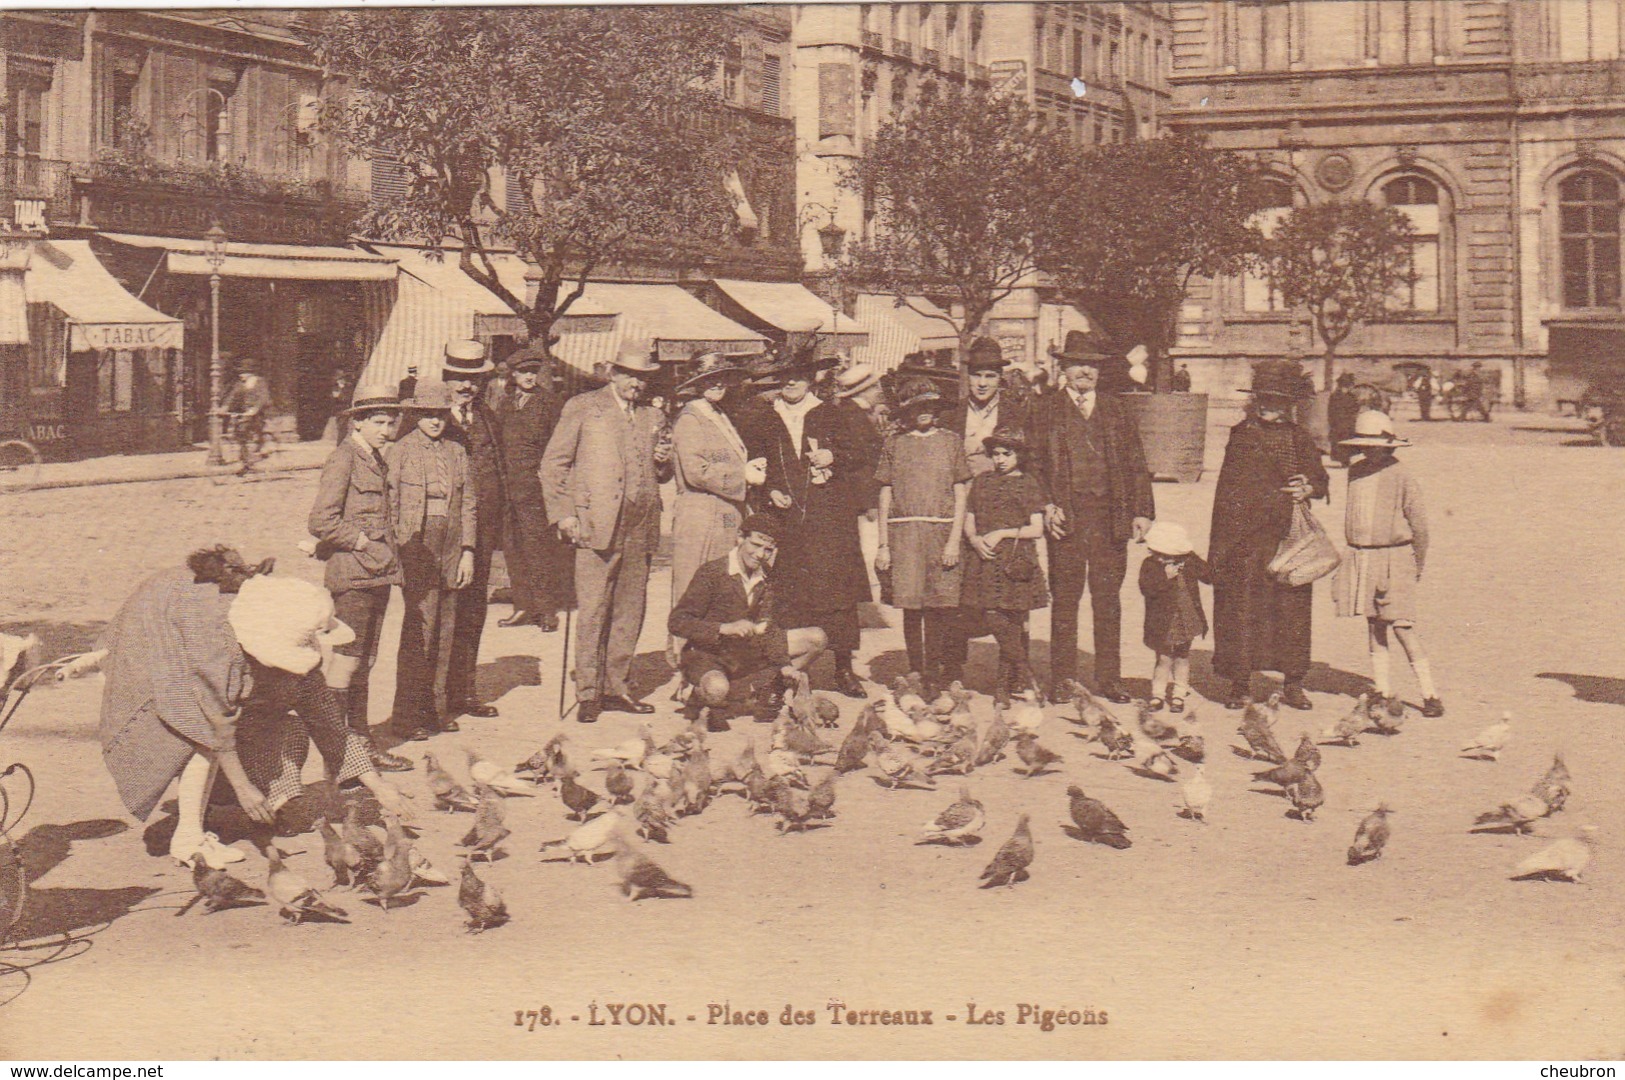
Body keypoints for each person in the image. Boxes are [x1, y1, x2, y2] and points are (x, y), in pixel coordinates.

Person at [99, 546, 273, 869]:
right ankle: (188, 838)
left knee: (201, 733)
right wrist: (242, 786)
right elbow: (218, 717)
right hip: (144, 657)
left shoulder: (225, 593)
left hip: (159, 645)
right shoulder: (216, 625)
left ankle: (190, 832)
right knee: (201, 734)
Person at [541, 340, 674, 724]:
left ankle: (617, 686)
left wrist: (662, 464)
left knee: (630, 611)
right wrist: (564, 515)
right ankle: (588, 692)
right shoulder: (583, 407)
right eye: (630, 374)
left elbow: (660, 473)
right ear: (613, 373)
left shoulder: (652, 417)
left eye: (644, 377)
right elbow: (553, 466)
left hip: (641, 525)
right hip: (596, 525)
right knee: (594, 610)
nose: (637, 383)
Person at [735, 345, 878, 697]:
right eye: (784, 378)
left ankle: (843, 668)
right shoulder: (765, 419)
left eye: (798, 376)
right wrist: (769, 492)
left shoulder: (833, 414)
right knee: (790, 593)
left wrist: (835, 456)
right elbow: (755, 465)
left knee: (838, 593)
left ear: (811, 378)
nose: (791, 383)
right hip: (786, 520)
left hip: (830, 518)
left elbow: (864, 455)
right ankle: (794, 669)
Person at [1025, 329, 1155, 704]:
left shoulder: (1116, 409)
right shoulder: (1044, 408)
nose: (1085, 372)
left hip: (1109, 517)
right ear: (1063, 369)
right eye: (1077, 364)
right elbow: (1032, 464)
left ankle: (1109, 678)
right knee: (1065, 599)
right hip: (1066, 517)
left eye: (1092, 366)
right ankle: (1063, 679)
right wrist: (1046, 506)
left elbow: (1136, 463)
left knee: (1107, 599)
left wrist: (1142, 511)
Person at [226, 575, 414, 830]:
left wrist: (378, 786)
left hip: (251, 742)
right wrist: (241, 785)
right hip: (218, 751)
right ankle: (204, 815)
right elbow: (207, 733)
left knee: (292, 729)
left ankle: (274, 803)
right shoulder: (226, 661)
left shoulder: (303, 674)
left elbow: (333, 729)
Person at [1209, 359, 1330, 711]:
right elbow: (1224, 491)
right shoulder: (1241, 435)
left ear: (1289, 403)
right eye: (1263, 399)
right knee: (1242, 610)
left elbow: (1321, 480)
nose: (1268, 406)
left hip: (1288, 540)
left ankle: (1293, 682)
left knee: (1292, 613)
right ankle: (1241, 683)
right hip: (1245, 540)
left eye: (1276, 400)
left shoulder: (1299, 437)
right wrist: (1220, 548)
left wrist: (1308, 486)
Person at [306, 383, 413, 772]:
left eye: (391, 421)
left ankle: (360, 745)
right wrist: (363, 542)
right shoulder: (345, 459)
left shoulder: (374, 458)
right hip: (353, 577)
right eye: (380, 422)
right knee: (348, 662)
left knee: (365, 661)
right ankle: (339, 751)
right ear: (359, 423)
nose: (388, 429)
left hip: (377, 576)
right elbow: (321, 520)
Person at [668, 513, 828, 731]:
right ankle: (698, 693)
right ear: (739, 538)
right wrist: (723, 628)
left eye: (768, 550)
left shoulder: (767, 577)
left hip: (746, 653)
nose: (760, 554)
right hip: (708, 655)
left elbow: (769, 627)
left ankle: (755, 688)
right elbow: (677, 622)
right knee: (716, 689)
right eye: (756, 545)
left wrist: (784, 665)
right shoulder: (713, 572)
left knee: (816, 638)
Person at [1333, 411, 1443, 718]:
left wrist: (1416, 564)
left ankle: (1430, 694)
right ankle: (1381, 689)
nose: (1370, 450)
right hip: (1363, 557)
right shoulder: (1355, 472)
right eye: (1364, 445)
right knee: (1374, 623)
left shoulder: (1402, 475)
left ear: (1389, 445)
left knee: (1402, 626)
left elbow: (1420, 526)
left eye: (1376, 445)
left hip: (1396, 557)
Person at [387, 381, 477, 741]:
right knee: (419, 631)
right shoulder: (401, 451)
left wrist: (468, 550)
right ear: (415, 415)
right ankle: (407, 716)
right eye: (427, 415)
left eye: (440, 414)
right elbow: (389, 504)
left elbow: (469, 502)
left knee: (446, 631)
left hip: (451, 545)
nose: (435, 422)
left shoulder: (458, 451)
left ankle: (436, 709)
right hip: (417, 548)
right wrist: (397, 553)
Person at [875, 377, 971, 692]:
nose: (924, 412)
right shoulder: (895, 443)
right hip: (904, 533)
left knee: (938, 607)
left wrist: (955, 539)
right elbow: (885, 494)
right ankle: (916, 671)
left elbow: (960, 494)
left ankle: (935, 672)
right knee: (911, 607)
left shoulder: (951, 441)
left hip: (941, 532)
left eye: (929, 406)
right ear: (907, 412)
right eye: (917, 407)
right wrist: (883, 545)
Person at [669, 353, 763, 670]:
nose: (718, 384)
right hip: (700, 514)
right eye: (710, 378)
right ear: (697, 384)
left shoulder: (717, 414)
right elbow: (697, 471)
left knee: (722, 590)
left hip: (723, 513)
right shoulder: (691, 418)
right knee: (694, 590)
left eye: (722, 377)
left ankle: (716, 663)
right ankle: (688, 667)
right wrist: (742, 477)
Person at [440, 340, 507, 719]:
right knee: (440, 615)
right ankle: (430, 699)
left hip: (480, 534)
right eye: (459, 379)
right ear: (447, 378)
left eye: (473, 380)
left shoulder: (486, 418)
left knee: (472, 613)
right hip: (443, 534)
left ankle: (463, 691)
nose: (466, 387)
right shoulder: (429, 417)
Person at [960, 428, 1048, 707]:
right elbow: (969, 516)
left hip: (1015, 560)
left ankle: (1002, 690)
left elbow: (1036, 529)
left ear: (1019, 455)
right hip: (984, 560)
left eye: (1006, 454)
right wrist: (974, 539)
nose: (999, 460)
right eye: (995, 454)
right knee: (994, 618)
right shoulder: (982, 481)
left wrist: (1003, 533)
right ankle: (1025, 673)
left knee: (1014, 622)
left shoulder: (1028, 483)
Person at [495, 346, 569, 633]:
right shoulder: (506, 402)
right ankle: (523, 606)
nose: (528, 376)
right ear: (513, 374)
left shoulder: (549, 403)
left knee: (538, 549)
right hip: (508, 488)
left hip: (535, 489)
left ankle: (546, 610)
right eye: (523, 372)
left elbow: (558, 447)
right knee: (513, 548)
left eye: (533, 372)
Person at [1137, 520, 1210, 715]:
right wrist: (1164, 578)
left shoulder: (1189, 562)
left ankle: (1179, 692)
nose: (1166, 560)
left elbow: (1209, 576)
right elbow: (1146, 589)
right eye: (1162, 556)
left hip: (1186, 618)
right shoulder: (1150, 565)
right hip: (1163, 621)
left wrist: (1194, 559)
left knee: (1183, 656)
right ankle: (1158, 694)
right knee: (1163, 657)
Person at [221, 357, 271, 473]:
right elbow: (232, 397)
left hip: (259, 414)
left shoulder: (259, 382)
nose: (241, 375)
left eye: (243, 373)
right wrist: (224, 408)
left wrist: (255, 409)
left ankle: (257, 453)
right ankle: (246, 462)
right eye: (240, 373)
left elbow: (263, 398)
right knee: (239, 434)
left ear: (250, 373)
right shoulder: (240, 384)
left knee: (248, 432)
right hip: (245, 414)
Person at [1328, 372, 1360, 468]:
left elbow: (1355, 407)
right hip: (1338, 423)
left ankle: (1346, 460)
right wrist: (1333, 422)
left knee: (1348, 441)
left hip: (1348, 423)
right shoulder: (1335, 396)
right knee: (1340, 442)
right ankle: (1343, 460)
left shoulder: (1351, 396)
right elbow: (1331, 410)